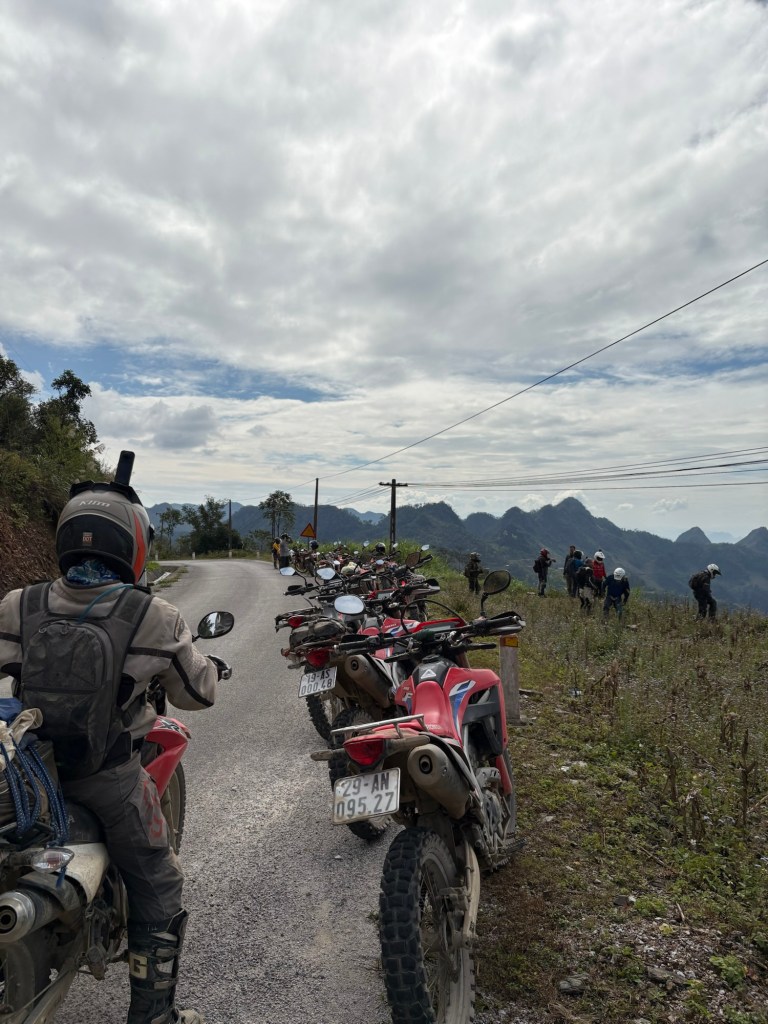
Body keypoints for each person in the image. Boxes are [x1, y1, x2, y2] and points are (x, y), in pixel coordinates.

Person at [0, 471, 226, 1024]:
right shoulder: (153, 616)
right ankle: (154, 1014)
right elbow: (198, 694)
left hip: (29, 776)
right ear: (134, 544)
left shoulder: (18, 604)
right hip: (109, 779)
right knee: (160, 883)